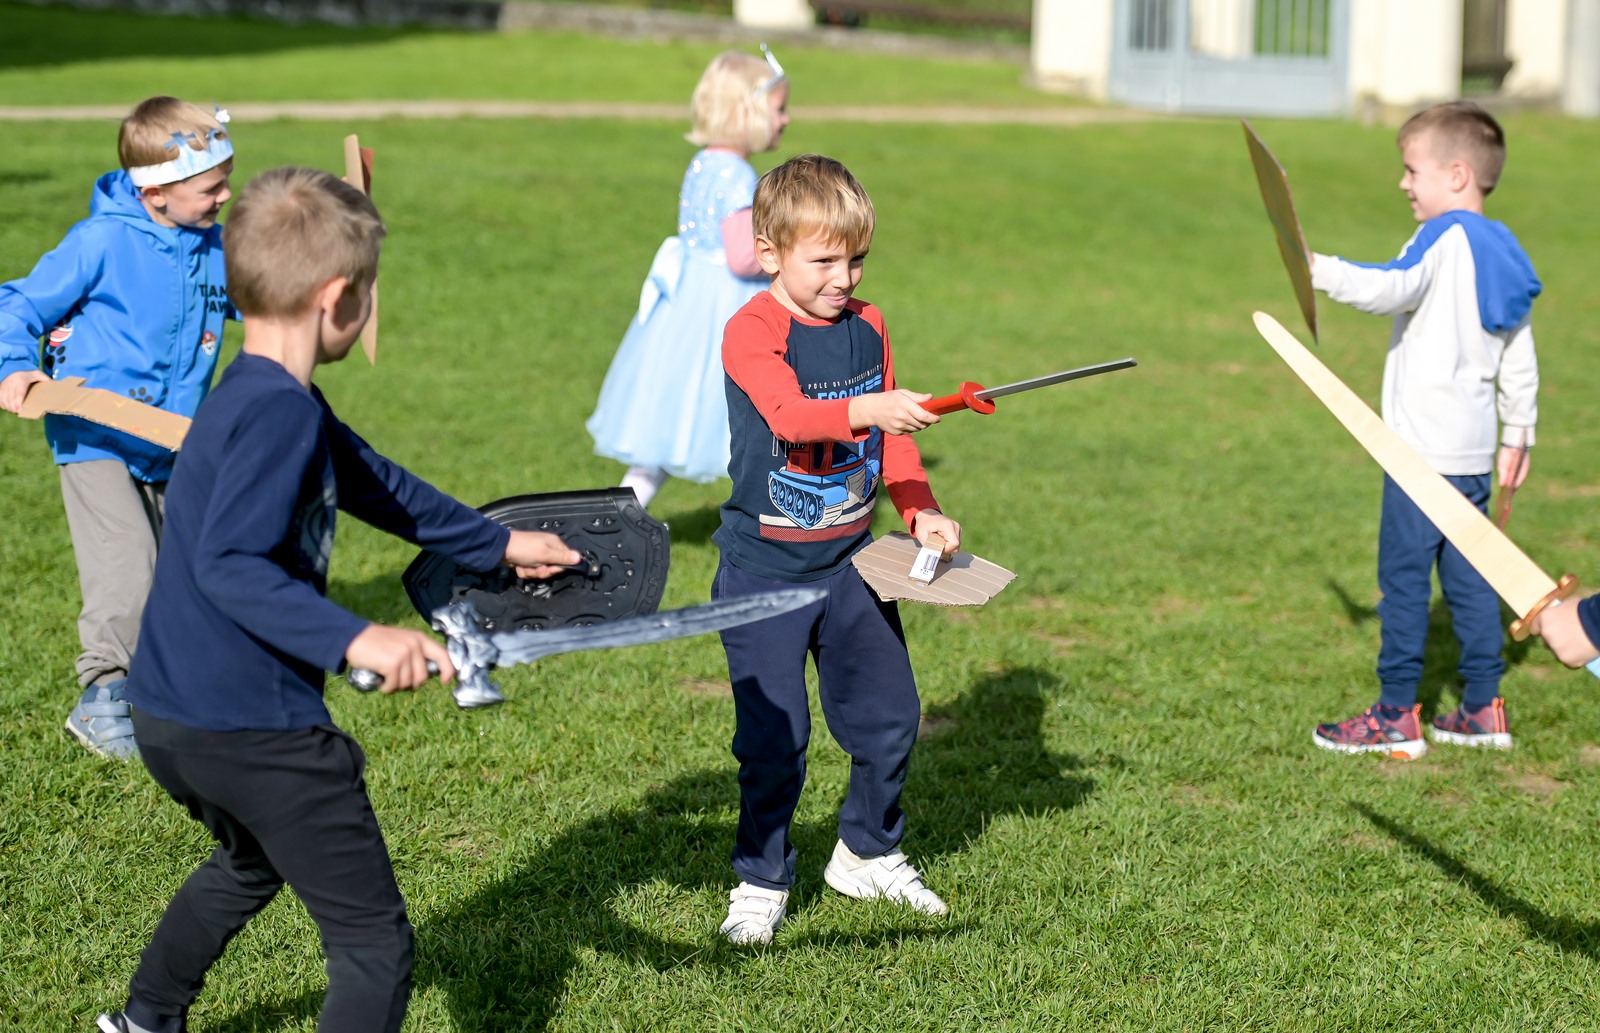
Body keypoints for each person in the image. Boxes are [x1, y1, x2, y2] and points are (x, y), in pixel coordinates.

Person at [94, 166, 581, 1033]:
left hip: (172, 715)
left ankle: (144, 1019)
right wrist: (358, 637)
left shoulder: (265, 397)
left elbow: (375, 483)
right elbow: (229, 564)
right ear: (336, 299)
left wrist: (495, 541)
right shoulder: (280, 416)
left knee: (247, 863)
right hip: (259, 732)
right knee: (372, 943)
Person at [710, 153, 961, 946]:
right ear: (770, 250)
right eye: (825, 260)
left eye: (856, 258)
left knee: (890, 719)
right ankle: (760, 875)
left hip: (854, 567)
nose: (844, 277)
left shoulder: (871, 327)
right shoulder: (751, 330)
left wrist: (920, 511)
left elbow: (895, 450)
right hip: (764, 573)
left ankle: (866, 851)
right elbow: (788, 415)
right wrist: (873, 407)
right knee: (773, 742)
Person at [0, 96, 237, 760]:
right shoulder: (101, 241)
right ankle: (102, 696)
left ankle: (164, 689)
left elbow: (268, 289)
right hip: (95, 431)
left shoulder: (214, 246)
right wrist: (15, 364)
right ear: (156, 191)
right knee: (126, 569)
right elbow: (17, 302)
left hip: (170, 436)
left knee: (177, 572)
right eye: (211, 185)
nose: (225, 195)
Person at [1308, 101, 1540, 759]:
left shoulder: (1443, 236)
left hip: (1419, 456)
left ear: (1458, 173)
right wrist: (1518, 432)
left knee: (1405, 581)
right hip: (1468, 453)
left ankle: (1395, 715)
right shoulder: (1506, 248)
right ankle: (1480, 709)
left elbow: (1390, 287)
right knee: (1469, 582)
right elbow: (1519, 354)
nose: (1404, 183)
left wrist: (1316, 268)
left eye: (1412, 170)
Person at [586, 45, 792, 509]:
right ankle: (783, 517)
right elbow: (742, 257)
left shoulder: (703, 161)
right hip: (723, 308)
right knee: (754, 410)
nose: (786, 119)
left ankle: (617, 515)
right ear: (749, 112)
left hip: (686, 304)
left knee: (670, 422)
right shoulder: (738, 175)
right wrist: (790, 257)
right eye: (779, 109)